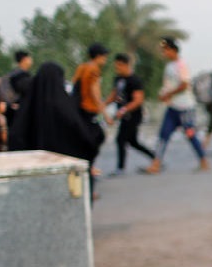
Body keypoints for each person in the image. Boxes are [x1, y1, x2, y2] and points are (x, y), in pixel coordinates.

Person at [8, 61, 101, 166]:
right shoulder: (65, 107)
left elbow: (16, 138)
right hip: (63, 167)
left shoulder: (27, 108)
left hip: (33, 167)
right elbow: (83, 136)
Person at [142, 37, 209, 174]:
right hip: (173, 107)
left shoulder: (181, 65)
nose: (164, 53)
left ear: (173, 50)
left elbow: (184, 85)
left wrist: (168, 94)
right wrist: (164, 94)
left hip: (185, 108)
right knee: (163, 135)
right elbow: (169, 85)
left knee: (190, 134)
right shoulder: (169, 66)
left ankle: (203, 160)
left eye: (166, 50)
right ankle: (156, 164)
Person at [103, 53, 154, 175]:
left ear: (126, 65)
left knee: (120, 139)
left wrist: (124, 110)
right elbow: (114, 95)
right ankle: (155, 158)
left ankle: (120, 168)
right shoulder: (118, 79)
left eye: (120, 65)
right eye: (116, 66)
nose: (117, 68)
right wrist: (103, 104)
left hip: (134, 115)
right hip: (123, 115)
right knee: (133, 142)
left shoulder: (135, 80)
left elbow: (138, 100)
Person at [71, 42, 110, 198]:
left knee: (87, 145)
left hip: (80, 111)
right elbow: (95, 92)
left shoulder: (82, 67)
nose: (105, 59)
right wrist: (105, 113)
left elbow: (74, 85)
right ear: (99, 56)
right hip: (89, 111)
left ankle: (89, 171)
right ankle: (89, 179)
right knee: (94, 143)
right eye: (104, 56)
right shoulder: (94, 69)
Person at [0, 50, 33, 130]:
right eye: (29, 58)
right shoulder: (22, 76)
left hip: (10, 109)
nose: (31, 60)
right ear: (24, 59)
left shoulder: (11, 75)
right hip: (20, 112)